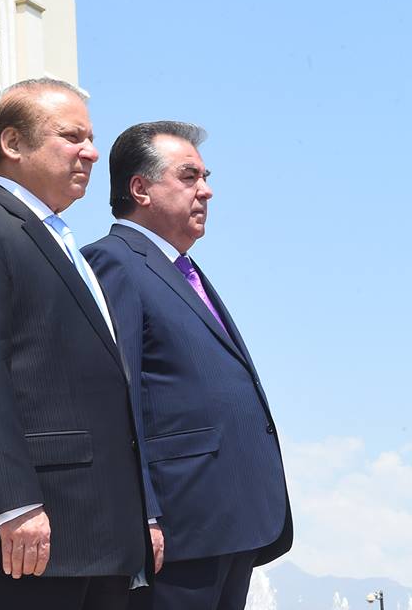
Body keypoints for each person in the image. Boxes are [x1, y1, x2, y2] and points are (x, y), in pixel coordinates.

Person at [0, 78, 149, 610]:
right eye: (72, 136)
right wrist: (13, 503)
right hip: (20, 540)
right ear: (13, 143)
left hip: (98, 542)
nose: (91, 152)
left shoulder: (62, 245)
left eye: (91, 138)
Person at [82, 121, 292, 610]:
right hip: (178, 528)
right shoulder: (113, 262)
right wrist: (144, 511)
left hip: (229, 523)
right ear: (141, 189)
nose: (207, 190)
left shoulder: (183, 270)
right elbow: (115, 397)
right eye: (189, 176)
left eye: (205, 176)